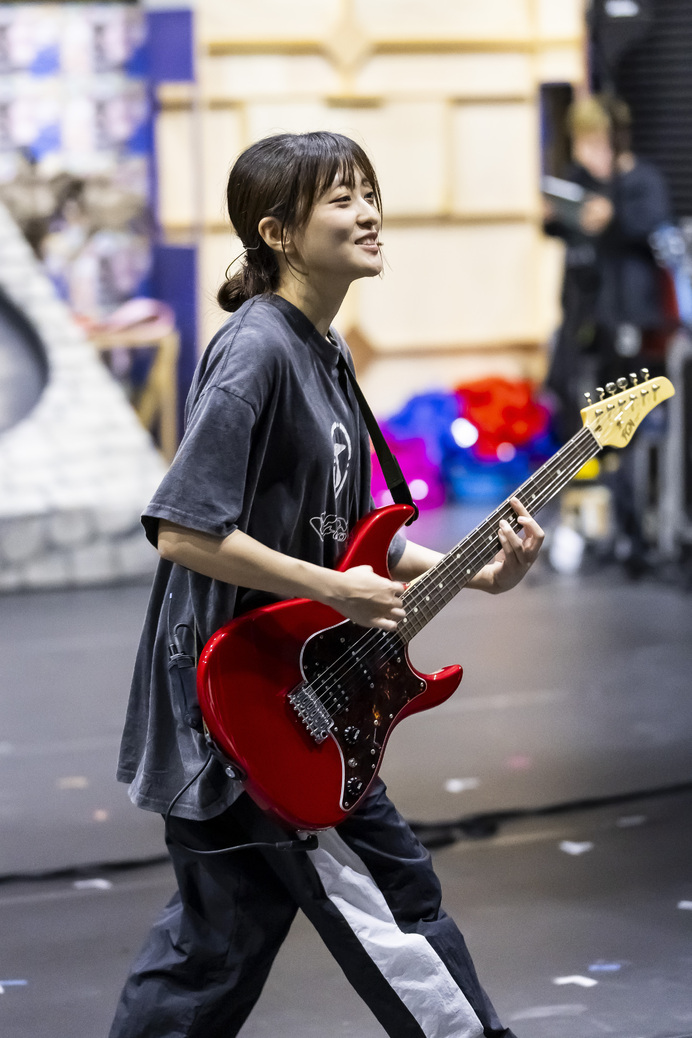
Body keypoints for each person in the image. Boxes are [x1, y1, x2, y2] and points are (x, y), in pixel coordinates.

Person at [109, 131, 544, 1038]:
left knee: (212, 955)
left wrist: (476, 573)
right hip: (254, 712)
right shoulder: (257, 351)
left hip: (295, 699)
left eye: (370, 193)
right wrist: (334, 591)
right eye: (343, 200)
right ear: (277, 232)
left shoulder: (324, 350)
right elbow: (184, 530)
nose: (371, 214)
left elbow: (350, 543)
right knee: (399, 912)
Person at [543, 95, 672, 573]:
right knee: (582, 423)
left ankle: (638, 532)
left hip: (633, 321)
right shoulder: (579, 181)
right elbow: (562, 229)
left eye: (595, 141)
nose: (587, 152)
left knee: (633, 429)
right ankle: (592, 528)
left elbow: (651, 227)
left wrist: (611, 214)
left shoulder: (642, 181)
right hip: (585, 319)